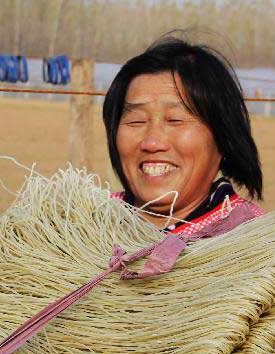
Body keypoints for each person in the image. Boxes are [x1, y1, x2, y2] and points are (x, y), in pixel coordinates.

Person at [103, 36, 265, 235]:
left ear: (223, 138)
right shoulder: (80, 225)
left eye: (175, 120)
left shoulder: (253, 242)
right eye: (137, 121)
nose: (152, 143)